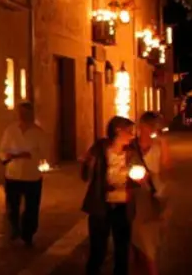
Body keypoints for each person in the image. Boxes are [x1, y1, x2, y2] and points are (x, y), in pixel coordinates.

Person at [80, 116, 142, 275]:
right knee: (98, 248)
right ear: (118, 131)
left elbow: (139, 175)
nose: (132, 135)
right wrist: (87, 164)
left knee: (122, 248)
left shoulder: (132, 152)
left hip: (123, 205)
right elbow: (86, 175)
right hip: (101, 205)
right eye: (129, 131)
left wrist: (139, 178)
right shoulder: (100, 149)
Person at [0, 101, 46, 247]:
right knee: (12, 205)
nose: (23, 116)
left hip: (31, 175)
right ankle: (14, 230)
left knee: (32, 207)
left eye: (26, 113)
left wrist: (31, 155)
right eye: (21, 113)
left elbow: (44, 152)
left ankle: (28, 234)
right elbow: (2, 150)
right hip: (13, 174)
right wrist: (9, 156)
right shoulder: (10, 131)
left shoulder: (38, 132)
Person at [131, 112, 172, 275]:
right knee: (137, 243)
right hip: (135, 196)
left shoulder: (158, 146)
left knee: (148, 244)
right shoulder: (132, 146)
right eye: (148, 126)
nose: (151, 130)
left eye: (154, 127)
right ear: (141, 126)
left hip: (153, 196)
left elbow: (167, 167)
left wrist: (163, 143)